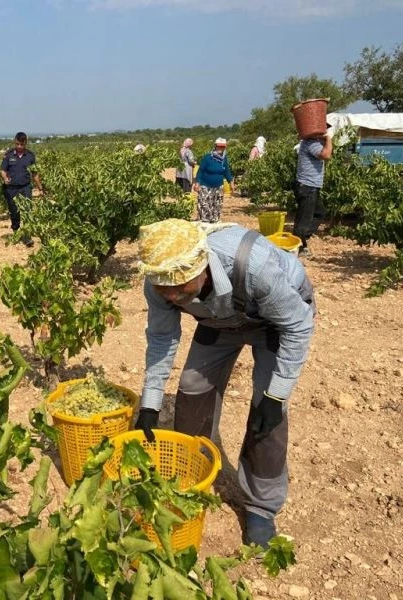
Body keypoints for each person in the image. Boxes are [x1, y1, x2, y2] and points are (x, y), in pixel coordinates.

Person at [133, 218, 316, 549]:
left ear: (202, 266)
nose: (172, 296)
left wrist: (277, 395)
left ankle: (261, 508)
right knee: (192, 389)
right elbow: (162, 337)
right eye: (164, 289)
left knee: (267, 413)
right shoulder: (160, 278)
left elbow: (297, 326)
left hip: (273, 321)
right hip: (219, 318)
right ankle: (193, 476)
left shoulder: (253, 266)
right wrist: (150, 403)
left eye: (181, 287)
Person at [293, 127, 333, 257]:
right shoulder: (312, 143)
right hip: (308, 186)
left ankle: (300, 238)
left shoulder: (310, 141)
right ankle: (298, 246)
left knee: (319, 213)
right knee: (304, 219)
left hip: (310, 186)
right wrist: (328, 138)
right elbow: (326, 155)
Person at [0, 131, 43, 247]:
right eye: (17, 144)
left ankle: (27, 237)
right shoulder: (8, 155)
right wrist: (5, 178)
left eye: (21, 145)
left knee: (27, 211)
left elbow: (35, 173)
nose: (19, 147)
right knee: (14, 212)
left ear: (26, 144)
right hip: (11, 188)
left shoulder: (30, 156)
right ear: (15, 142)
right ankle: (16, 231)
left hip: (25, 187)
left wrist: (40, 188)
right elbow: (3, 170)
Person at [193, 138, 236, 223]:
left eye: (223, 147)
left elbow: (226, 171)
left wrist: (231, 182)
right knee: (205, 205)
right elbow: (200, 171)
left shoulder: (224, 159)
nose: (221, 149)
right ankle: (204, 222)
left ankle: (214, 222)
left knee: (216, 206)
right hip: (205, 186)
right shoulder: (207, 158)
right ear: (215, 146)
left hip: (218, 187)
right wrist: (197, 183)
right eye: (219, 147)